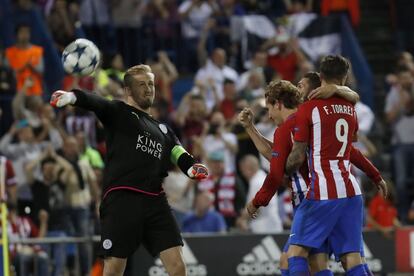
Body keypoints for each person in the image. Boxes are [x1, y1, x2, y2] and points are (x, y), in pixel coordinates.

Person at [50, 64, 208, 276]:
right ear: (128, 91)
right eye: (141, 84)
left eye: (151, 84)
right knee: (114, 268)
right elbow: (98, 102)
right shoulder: (119, 112)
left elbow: (179, 153)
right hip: (121, 198)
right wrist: (71, 97)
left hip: (155, 200)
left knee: (178, 267)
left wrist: (192, 169)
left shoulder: (164, 130)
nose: (148, 88)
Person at [240, 74, 386, 275]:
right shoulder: (314, 122)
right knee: (346, 260)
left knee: (292, 258)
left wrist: (256, 202)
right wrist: (375, 175)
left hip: (313, 200)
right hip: (343, 193)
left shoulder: (288, 128)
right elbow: (351, 150)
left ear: (279, 104)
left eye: (269, 108)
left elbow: (276, 171)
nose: (270, 115)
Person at [284, 55, 386, 275]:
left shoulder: (308, 109)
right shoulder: (351, 108)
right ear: (345, 77)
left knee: (295, 253)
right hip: (351, 192)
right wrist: (376, 175)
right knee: (352, 257)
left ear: (320, 77)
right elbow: (351, 149)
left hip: (324, 192)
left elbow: (297, 156)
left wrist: (280, 171)